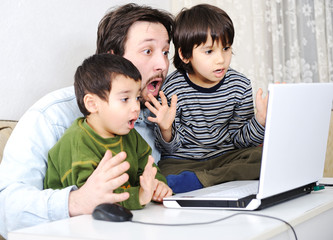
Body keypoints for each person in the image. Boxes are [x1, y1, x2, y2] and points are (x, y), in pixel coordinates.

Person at [0, 3, 174, 238]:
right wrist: (76, 201)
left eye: (165, 52)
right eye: (148, 51)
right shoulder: (51, 117)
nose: (163, 65)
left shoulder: (151, 115)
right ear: (112, 59)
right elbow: (5, 208)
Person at [146, 4, 268, 193]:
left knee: (263, 156)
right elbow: (170, 149)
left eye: (226, 48)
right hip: (183, 162)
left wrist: (260, 121)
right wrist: (165, 129)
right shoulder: (172, 88)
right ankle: (215, 179)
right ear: (185, 55)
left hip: (226, 157)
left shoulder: (240, 85)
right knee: (160, 173)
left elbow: (241, 141)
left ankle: (202, 181)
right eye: (209, 51)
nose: (221, 59)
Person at [44, 53, 172, 210]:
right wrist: (137, 196)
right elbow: (93, 199)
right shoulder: (78, 142)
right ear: (92, 104)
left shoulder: (128, 134)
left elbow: (147, 167)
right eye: (125, 99)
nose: (136, 107)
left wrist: (157, 185)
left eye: (137, 98)